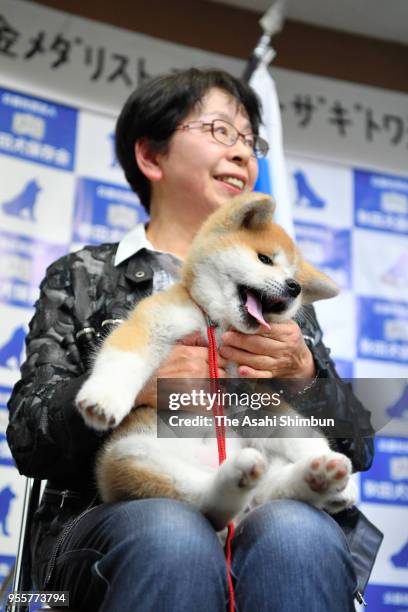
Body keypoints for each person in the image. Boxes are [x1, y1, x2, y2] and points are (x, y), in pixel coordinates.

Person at [7, 68, 382, 611]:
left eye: (251, 140)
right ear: (151, 157)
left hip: (267, 502)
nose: (243, 154)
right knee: (170, 534)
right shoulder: (82, 275)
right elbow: (28, 435)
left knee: (298, 537)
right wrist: (139, 390)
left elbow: (358, 445)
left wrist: (304, 381)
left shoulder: (281, 290)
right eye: (220, 131)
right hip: (117, 517)